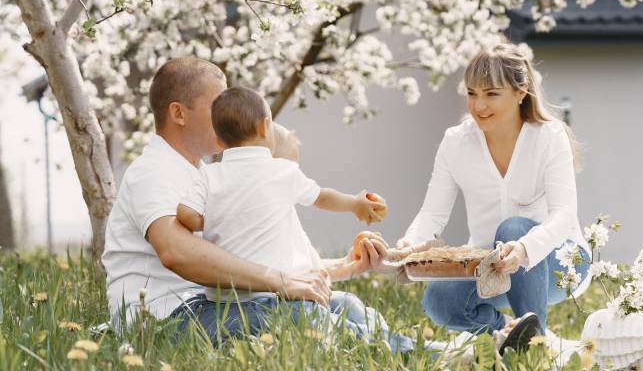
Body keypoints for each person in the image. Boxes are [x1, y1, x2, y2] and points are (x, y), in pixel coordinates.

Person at [101, 58, 385, 339]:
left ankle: (401, 350)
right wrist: (279, 281)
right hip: (166, 315)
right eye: (217, 105)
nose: (228, 113)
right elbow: (177, 251)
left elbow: (244, 257)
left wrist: (340, 267)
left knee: (347, 306)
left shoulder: (207, 175)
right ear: (179, 113)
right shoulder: (153, 171)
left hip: (214, 304)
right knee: (301, 316)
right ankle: (406, 352)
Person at [395, 43, 591, 341]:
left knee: (513, 228)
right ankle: (509, 336)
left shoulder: (548, 137)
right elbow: (433, 213)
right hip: (492, 267)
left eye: (491, 94)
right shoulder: (456, 142)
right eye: (472, 94)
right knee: (439, 299)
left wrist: (524, 249)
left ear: (520, 92)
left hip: (561, 264)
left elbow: (564, 215)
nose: (478, 106)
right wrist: (409, 244)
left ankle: (536, 340)